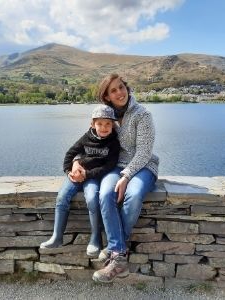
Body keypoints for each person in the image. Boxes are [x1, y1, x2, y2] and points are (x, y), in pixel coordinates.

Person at [72, 74, 159, 283]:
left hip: (143, 166)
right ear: (107, 97)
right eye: (113, 90)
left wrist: (126, 176)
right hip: (115, 167)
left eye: (121, 87)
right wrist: (76, 161)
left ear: (127, 88)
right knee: (105, 194)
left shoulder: (142, 115)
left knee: (134, 194)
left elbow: (145, 152)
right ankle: (119, 254)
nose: (119, 92)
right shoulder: (105, 117)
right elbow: (86, 144)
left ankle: (114, 250)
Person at [40, 104, 120, 257]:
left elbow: (109, 166)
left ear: (113, 125)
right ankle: (57, 237)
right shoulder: (86, 137)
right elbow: (70, 153)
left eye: (108, 124)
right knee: (62, 198)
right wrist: (69, 171)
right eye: (100, 124)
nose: (104, 127)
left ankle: (95, 238)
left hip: (92, 177)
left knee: (91, 199)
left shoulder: (113, 143)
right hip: (76, 175)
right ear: (92, 124)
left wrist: (87, 174)